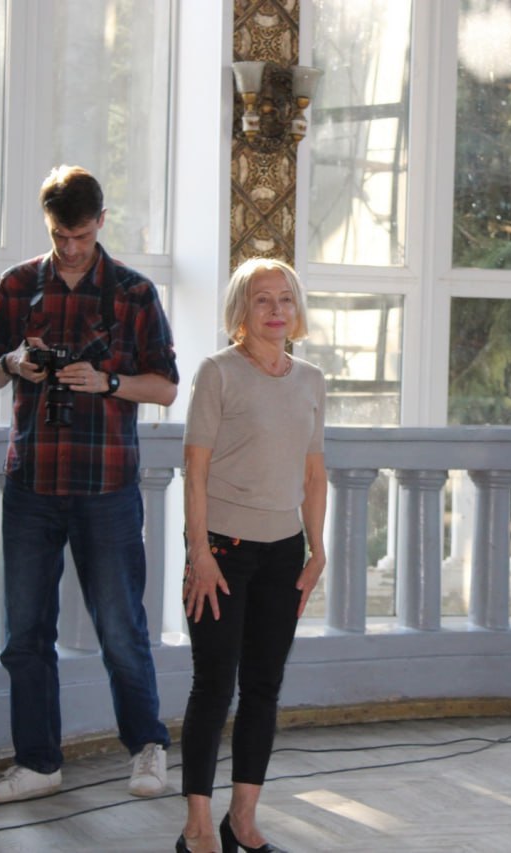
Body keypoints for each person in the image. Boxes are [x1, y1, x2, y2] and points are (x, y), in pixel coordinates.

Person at [0, 165, 178, 803]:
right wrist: (12, 363)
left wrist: (108, 382)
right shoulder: (16, 285)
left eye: (81, 236)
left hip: (107, 485)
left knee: (121, 628)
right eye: (60, 235)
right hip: (31, 482)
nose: (69, 248)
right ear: (48, 224)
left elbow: (167, 387)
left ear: (101, 223)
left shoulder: (135, 293)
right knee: (24, 634)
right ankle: (38, 763)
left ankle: (147, 748)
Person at [178, 258, 327, 853]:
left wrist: (316, 550)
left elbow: (314, 474)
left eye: (285, 298)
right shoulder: (217, 372)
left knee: (264, 687)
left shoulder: (311, 379)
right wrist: (199, 553)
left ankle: (242, 819)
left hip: (284, 554)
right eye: (262, 299)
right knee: (214, 687)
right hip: (222, 553)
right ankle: (196, 826)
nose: (275, 310)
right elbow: (194, 471)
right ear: (242, 310)